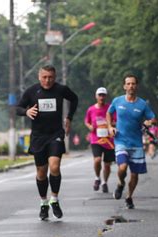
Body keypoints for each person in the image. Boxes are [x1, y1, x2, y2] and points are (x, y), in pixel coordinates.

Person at [15, 65, 78, 220]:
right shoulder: (31, 91)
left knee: (54, 166)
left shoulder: (61, 90)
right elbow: (18, 108)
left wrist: (69, 117)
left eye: (50, 77)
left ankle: (54, 199)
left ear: (55, 77)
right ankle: (44, 203)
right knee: (41, 172)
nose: (47, 80)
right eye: (44, 77)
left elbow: (74, 98)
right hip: (38, 137)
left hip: (55, 134)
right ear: (39, 77)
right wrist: (26, 112)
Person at [107, 74, 156, 209]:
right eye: (128, 84)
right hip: (121, 141)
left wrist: (149, 121)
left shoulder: (142, 104)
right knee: (122, 167)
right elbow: (108, 113)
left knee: (134, 174)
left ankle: (129, 197)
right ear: (124, 86)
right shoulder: (117, 101)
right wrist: (110, 126)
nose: (131, 86)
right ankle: (120, 183)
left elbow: (153, 118)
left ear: (137, 86)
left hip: (137, 144)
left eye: (133, 83)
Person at [84, 87, 115, 193]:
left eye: (103, 95)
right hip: (96, 139)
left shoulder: (110, 108)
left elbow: (115, 120)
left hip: (108, 140)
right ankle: (97, 177)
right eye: (100, 95)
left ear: (106, 96)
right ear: (96, 96)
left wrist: (109, 124)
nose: (101, 97)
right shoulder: (91, 109)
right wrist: (90, 127)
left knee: (107, 164)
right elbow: (87, 121)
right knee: (97, 160)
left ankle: (104, 182)